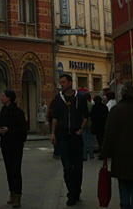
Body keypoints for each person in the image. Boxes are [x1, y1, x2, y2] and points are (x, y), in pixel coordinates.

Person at [51, 73, 90, 206]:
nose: (61, 84)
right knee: (67, 167)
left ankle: (77, 190)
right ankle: (71, 194)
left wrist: (81, 129)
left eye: (63, 82)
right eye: (60, 82)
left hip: (76, 137)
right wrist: (53, 133)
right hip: (63, 137)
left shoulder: (80, 98)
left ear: (69, 83)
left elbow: (86, 116)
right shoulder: (58, 99)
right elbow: (55, 117)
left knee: (78, 168)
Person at [0, 89, 28, 208]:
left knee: (16, 170)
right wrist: (0, 131)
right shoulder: (3, 110)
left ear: (9, 98)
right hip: (5, 144)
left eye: (3, 96)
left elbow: (23, 131)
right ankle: (11, 193)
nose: (1, 97)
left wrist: (9, 131)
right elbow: (0, 124)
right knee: (9, 170)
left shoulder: (18, 112)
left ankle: (18, 196)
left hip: (16, 145)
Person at [82, 93, 95, 161]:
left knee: (84, 141)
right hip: (90, 123)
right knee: (91, 140)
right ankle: (91, 155)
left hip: (83, 124)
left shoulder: (82, 105)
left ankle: (84, 156)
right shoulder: (91, 105)